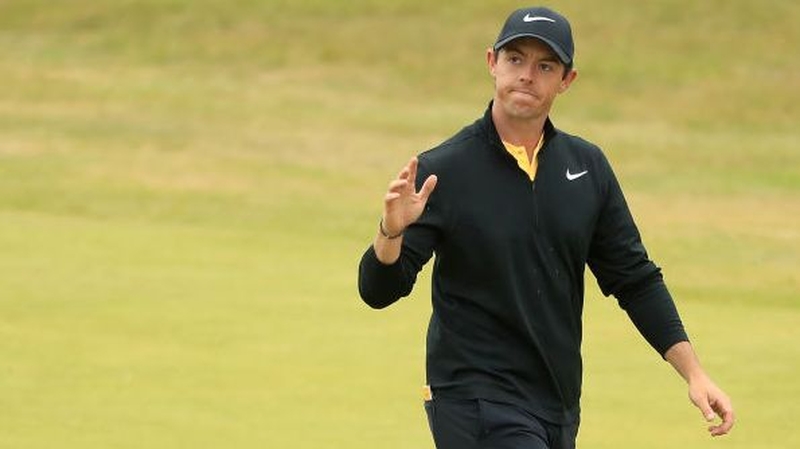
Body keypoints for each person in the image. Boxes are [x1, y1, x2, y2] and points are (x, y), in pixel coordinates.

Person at [357, 6, 734, 449]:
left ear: (566, 81)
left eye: (545, 66)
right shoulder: (445, 169)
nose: (527, 76)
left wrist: (694, 373)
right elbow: (379, 291)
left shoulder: (586, 167)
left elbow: (634, 278)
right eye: (515, 59)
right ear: (491, 63)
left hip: (556, 406)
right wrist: (391, 233)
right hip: (474, 401)